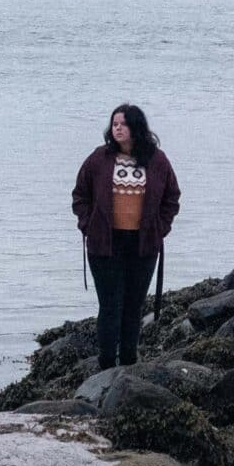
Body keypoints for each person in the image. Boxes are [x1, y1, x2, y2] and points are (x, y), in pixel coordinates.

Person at [70, 102, 182, 369]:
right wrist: (88, 225)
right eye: (114, 124)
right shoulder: (99, 158)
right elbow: (79, 196)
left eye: (122, 124)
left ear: (136, 128)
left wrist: (159, 228)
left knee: (133, 306)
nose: (117, 129)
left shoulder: (157, 160)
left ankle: (130, 363)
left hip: (143, 245)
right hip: (105, 245)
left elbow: (172, 198)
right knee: (110, 306)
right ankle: (107, 364)